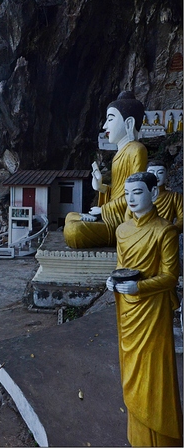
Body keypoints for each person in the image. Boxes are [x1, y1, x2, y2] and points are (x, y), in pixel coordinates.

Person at [107, 172, 182, 446]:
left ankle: (162, 438)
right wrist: (112, 280)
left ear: (153, 193)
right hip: (129, 313)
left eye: (138, 192)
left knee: (154, 372)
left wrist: (140, 288)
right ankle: (137, 437)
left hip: (153, 313)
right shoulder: (122, 230)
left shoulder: (165, 231)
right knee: (132, 372)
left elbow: (171, 276)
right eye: (127, 194)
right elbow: (121, 267)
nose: (131, 199)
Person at [64, 91, 149, 248]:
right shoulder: (118, 154)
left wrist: (104, 210)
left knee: (73, 230)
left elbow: (136, 195)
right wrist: (102, 188)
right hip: (111, 211)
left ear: (129, 124)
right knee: (70, 217)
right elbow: (118, 192)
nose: (104, 126)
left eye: (110, 119)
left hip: (122, 218)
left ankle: (119, 234)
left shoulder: (137, 150)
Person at [145, 161, 182, 226]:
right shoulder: (141, 195)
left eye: (160, 172)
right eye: (151, 173)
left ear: (167, 174)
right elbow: (129, 215)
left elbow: (182, 218)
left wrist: (171, 231)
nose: (156, 176)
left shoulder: (174, 196)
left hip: (166, 232)